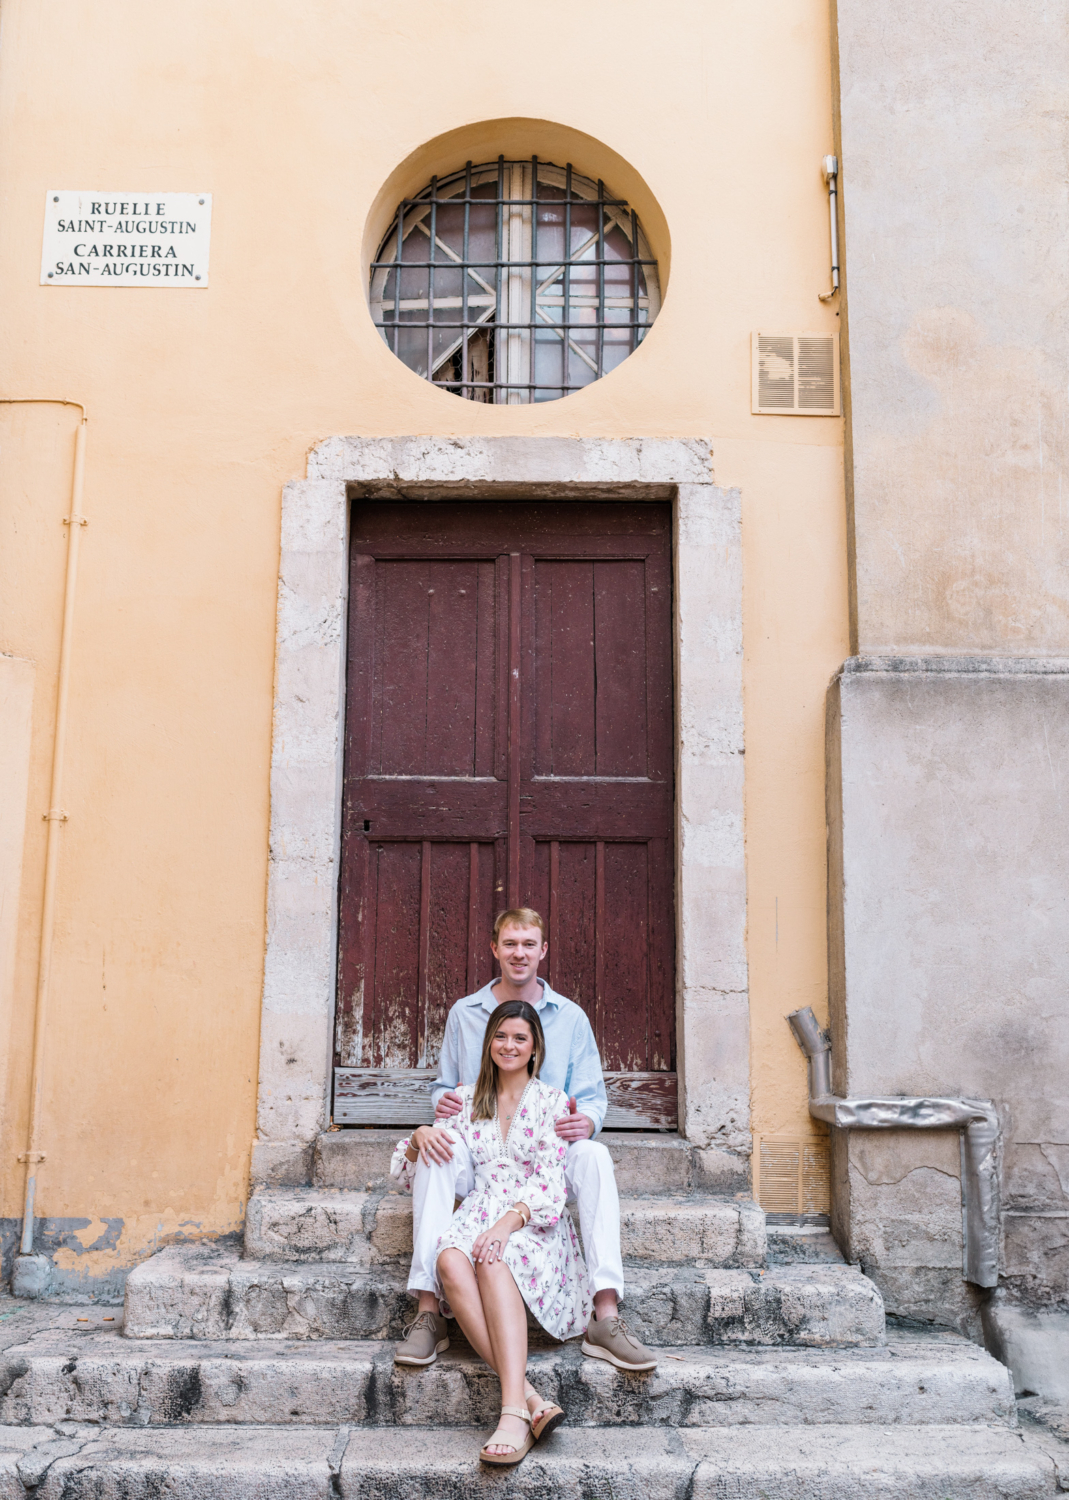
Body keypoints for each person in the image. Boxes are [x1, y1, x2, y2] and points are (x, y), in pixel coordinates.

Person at [393, 906, 657, 1386]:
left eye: (528, 944)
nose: (519, 953)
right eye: (509, 944)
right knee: (436, 1153)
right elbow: (445, 1086)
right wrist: (444, 1109)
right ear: (494, 949)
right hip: (484, 1146)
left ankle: (604, 1311)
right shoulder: (464, 1013)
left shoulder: (571, 1018)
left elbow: (595, 1098)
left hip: (550, 1149)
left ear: (543, 951)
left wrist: (586, 1122)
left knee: (595, 1156)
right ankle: (429, 1310)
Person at [392, 999, 583, 1465]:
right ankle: (531, 1396)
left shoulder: (551, 1102)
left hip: (532, 1221)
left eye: (520, 1037)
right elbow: (406, 1173)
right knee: (449, 1260)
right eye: (501, 1036)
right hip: (478, 1212)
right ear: (489, 1042)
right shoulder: (468, 1097)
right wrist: (419, 1136)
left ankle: (512, 1412)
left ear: (535, 1047)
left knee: (492, 1257)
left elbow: (550, 1181)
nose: (509, 1045)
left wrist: (507, 1223)